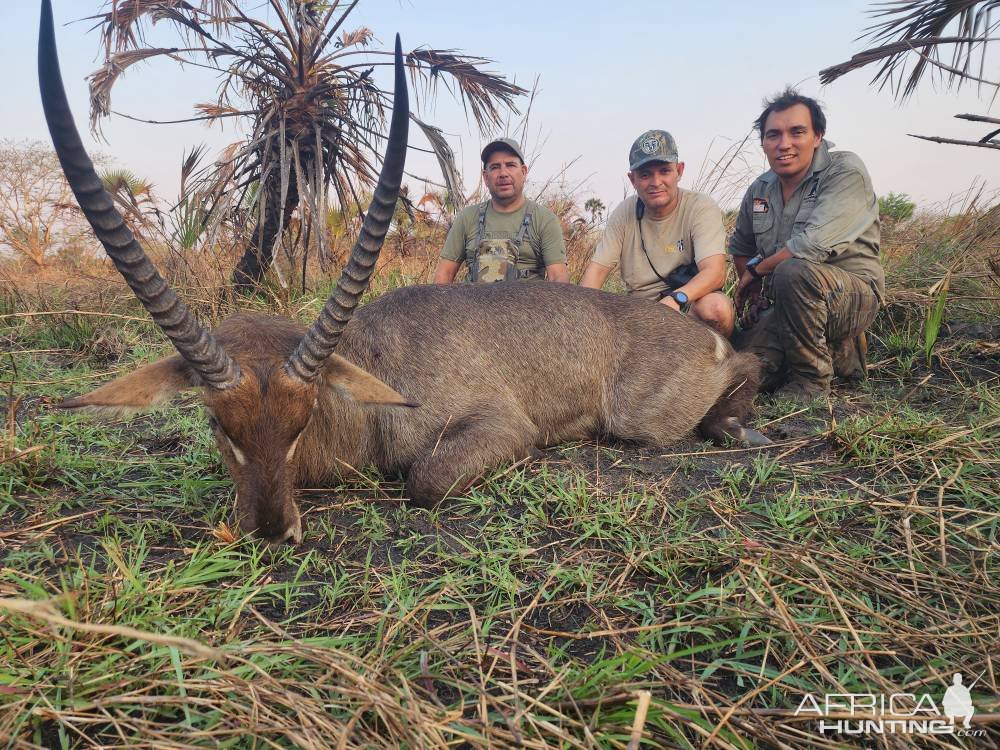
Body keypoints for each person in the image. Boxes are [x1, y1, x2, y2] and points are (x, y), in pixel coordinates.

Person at [729, 88, 883, 403]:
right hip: (785, 300)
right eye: (773, 135)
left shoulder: (845, 170)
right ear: (763, 143)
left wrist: (756, 272)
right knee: (744, 369)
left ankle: (810, 383)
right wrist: (755, 293)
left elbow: (809, 247)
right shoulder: (760, 188)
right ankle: (838, 354)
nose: (784, 144)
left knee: (793, 271)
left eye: (796, 132)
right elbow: (741, 244)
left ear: (817, 136)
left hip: (850, 296)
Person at [580, 130, 734, 335]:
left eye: (664, 171)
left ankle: (719, 364)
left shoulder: (700, 207)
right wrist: (580, 315)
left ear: (679, 170)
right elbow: (596, 273)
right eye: (645, 175)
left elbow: (715, 273)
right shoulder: (623, 213)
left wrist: (675, 300)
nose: (655, 182)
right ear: (632, 180)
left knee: (716, 308)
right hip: (639, 311)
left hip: (685, 305)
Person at [432, 138, 569, 284]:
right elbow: (444, 275)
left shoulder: (544, 219)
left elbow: (558, 278)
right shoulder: (467, 217)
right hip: (472, 305)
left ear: (523, 172)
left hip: (526, 305)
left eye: (510, 165)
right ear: (485, 177)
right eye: (495, 167)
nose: (503, 173)